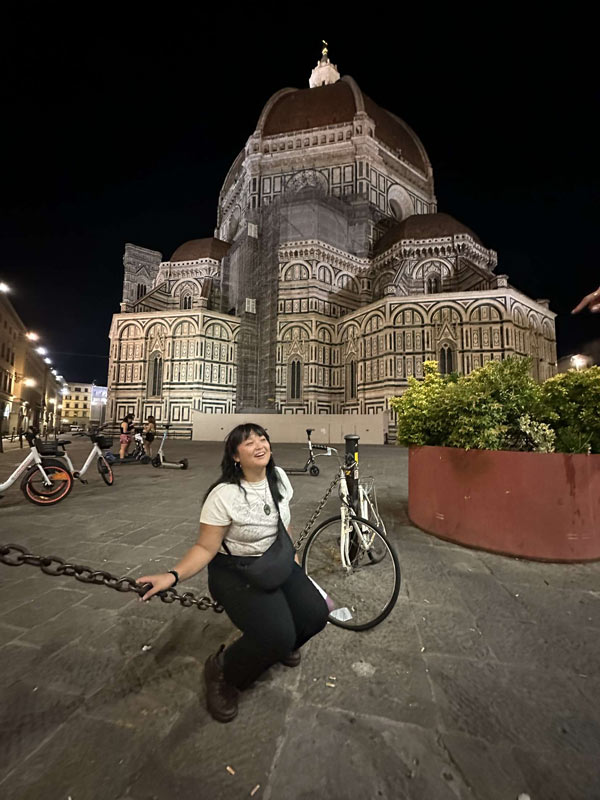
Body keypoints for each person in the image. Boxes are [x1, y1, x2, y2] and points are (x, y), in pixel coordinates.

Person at [136, 423, 329, 723]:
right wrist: (172, 576)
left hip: (275, 561)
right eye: (249, 442)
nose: (258, 444)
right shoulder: (223, 495)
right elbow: (204, 547)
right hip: (235, 572)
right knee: (276, 635)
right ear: (235, 456)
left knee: (316, 614)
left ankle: (280, 646)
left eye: (262, 439)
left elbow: (285, 524)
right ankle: (224, 672)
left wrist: (292, 558)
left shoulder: (278, 478)